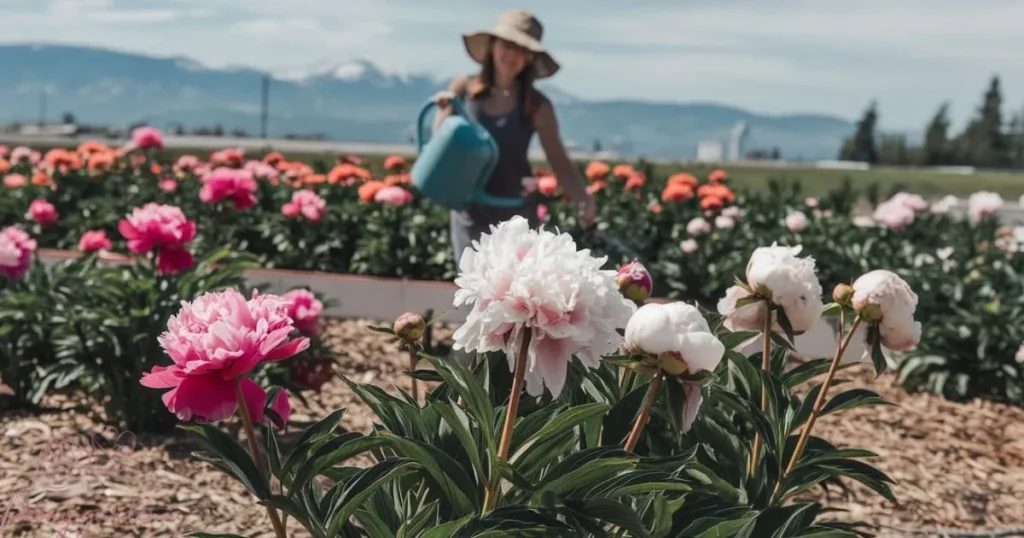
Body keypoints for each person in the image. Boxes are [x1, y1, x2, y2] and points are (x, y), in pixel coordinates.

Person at [433, 9, 597, 268]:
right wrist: (444, 111)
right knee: (473, 288)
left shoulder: (536, 105)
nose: (512, 55)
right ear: (492, 46)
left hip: (515, 218)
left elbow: (560, 162)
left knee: (514, 296)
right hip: (469, 210)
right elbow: (438, 141)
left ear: (530, 58)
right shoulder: (464, 88)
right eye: (507, 45)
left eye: (521, 49)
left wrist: (583, 199)